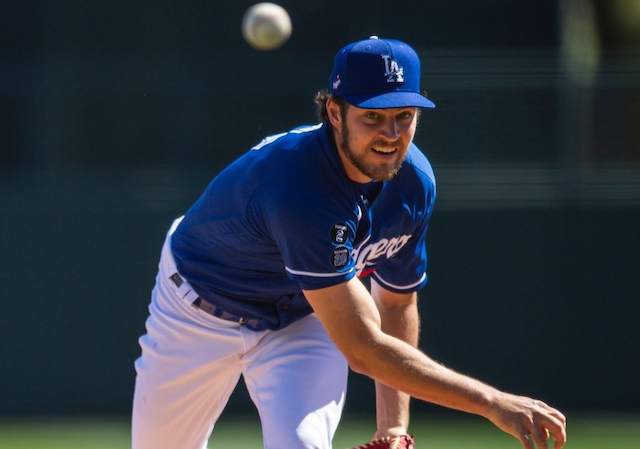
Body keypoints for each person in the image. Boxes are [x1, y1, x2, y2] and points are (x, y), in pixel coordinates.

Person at [132, 36, 567, 449]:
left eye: (404, 116)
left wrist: (393, 426)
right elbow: (363, 349)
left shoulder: (413, 183)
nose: (391, 134)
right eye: (372, 116)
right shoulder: (296, 186)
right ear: (335, 113)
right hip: (198, 311)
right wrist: (492, 403)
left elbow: (395, 302)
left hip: (306, 315)